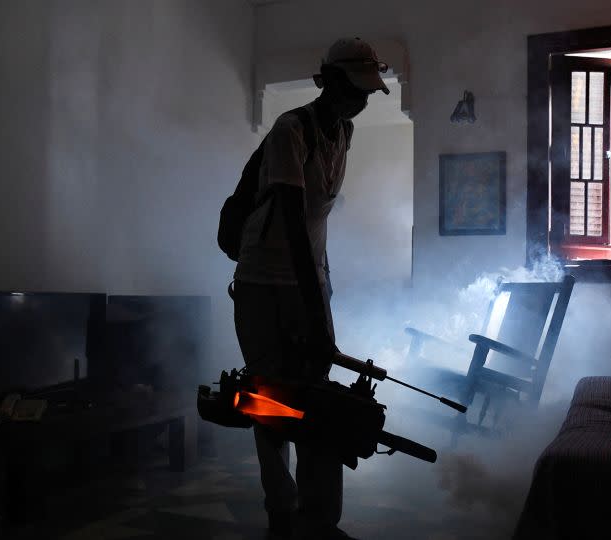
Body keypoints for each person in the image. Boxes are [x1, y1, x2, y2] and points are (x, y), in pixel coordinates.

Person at [231, 37, 390, 540]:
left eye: (369, 92)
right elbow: (296, 225)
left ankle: (318, 521)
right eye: (357, 90)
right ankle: (282, 512)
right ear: (332, 82)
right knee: (270, 401)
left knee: (318, 403)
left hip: (309, 278)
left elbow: (319, 228)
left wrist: (321, 298)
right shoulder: (290, 130)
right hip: (264, 283)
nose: (364, 101)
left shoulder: (342, 133)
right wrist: (317, 318)